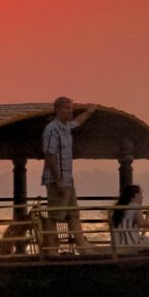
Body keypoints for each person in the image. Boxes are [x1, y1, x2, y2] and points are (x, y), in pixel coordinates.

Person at [42, 96, 97, 248]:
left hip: (68, 179)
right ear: (57, 110)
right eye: (66, 108)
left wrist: (89, 112)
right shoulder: (52, 129)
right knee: (55, 215)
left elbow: (77, 122)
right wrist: (58, 179)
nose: (70, 111)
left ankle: (82, 245)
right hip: (56, 180)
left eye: (71, 108)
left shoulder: (65, 127)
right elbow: (50, 154)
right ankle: (52, 248)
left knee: (73, 213)